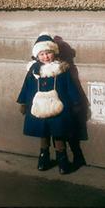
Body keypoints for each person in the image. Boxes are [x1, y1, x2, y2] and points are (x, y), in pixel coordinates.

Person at [17, 32, 85, 174]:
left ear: (54, 53)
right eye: (41, 54)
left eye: (48, 53)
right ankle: (44, 156)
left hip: (59, 107)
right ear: (36, 56)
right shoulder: (33, 71)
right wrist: (23, 102)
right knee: (43, 133)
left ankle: (62, 158)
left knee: (59, 133)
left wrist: (75, 101)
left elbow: (70, 86)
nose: (45, 57)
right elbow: (26, 87)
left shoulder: (61, 69)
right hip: (39, 107)